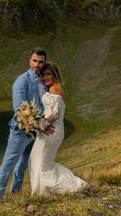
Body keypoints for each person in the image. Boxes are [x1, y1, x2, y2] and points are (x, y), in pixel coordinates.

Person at [0, 48, 55, 200]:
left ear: (44, 63)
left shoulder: (45, 81)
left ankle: (16, 196)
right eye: (34, 61)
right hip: (20, 132)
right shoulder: (21, 81)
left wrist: (44, 125)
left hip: (36, 134)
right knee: (8, 165)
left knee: (23, 166)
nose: (37, 65)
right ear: (29, 61)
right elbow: (20, 111)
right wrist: (41, 125)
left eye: (40, 62)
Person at [29, 62, 86, 195]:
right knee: (35, 159)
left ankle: (67, 188)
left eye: (48, 74)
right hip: (48, 129)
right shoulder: (53, 88)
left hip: (52, 131)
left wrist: (40, 125)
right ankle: (40, 191)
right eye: (43, 75)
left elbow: (55, 114)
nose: (45, 77)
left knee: (43, 163)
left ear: (54, 74)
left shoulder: (55, 89)